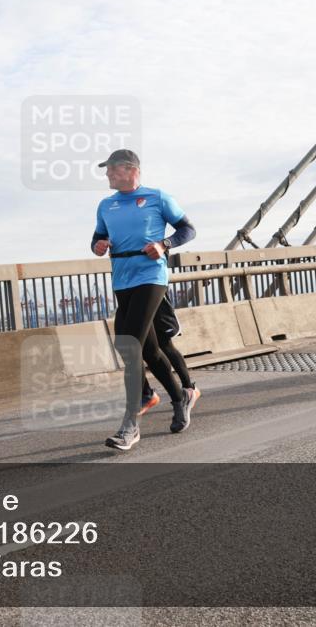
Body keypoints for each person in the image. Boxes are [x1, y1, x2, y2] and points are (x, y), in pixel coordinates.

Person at [91, 149, 200, 451]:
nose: (107, 175)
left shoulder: (157, 197)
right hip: (122, 278)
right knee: (148, 348)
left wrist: (165, 244)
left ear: (130, 170)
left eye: (111, 169)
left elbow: (188, 229)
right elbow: (97, 238)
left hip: (151, 276)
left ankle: (130, 427)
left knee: (131, 344)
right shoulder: (106, 205)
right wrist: (98, 245)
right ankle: (178, 398)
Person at [139, 289, 198, 416]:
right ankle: (147, 394)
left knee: (165, 344)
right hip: (136, 293)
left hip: (155, 291)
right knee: (143, 345)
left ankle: (189, 388)